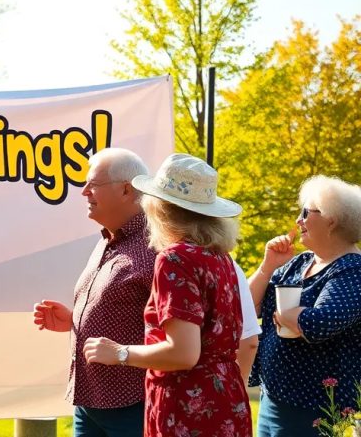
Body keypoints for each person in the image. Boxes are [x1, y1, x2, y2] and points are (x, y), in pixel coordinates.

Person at [83, 153, 251, 437]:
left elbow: (183, 353)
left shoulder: (176, 258)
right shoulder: (219, 257)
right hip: (225, 397)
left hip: (188, 404)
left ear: (159, 206)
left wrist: (120, 353)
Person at [33, 148, 154, 437]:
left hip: (133, 406)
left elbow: (176, 332)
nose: (84, 191)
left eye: (93, 184)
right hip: (89, 404)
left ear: (126, 190)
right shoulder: (107, 240)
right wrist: (74, 320)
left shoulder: (155, 248)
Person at [247, 175, 361, 437]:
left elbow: (318, 323)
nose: (299, 220)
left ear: (331, 219)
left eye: (306, 212)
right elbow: (247, 309)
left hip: (314, 410)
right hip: (274, 396)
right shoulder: (300, 262)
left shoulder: (353, 270)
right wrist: (267, 267)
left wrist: (283, 314)